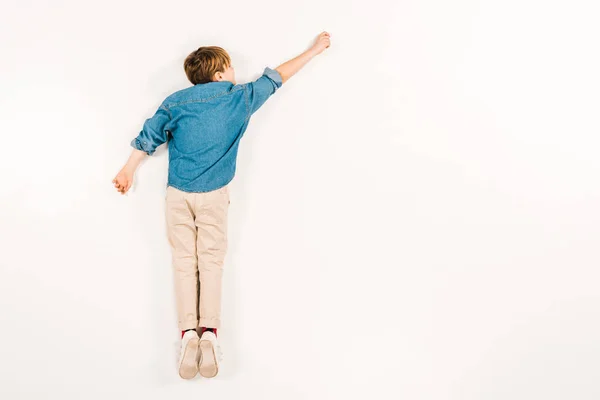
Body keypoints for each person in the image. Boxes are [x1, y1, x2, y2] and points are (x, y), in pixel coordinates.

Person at [112, 32, 331, 379]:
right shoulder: (238, 98)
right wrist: (314, 50)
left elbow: (149, 136)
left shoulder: (176, 101)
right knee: (210, 262)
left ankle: (187, 336)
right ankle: (210, 334)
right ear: (218, 74)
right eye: (230, 68)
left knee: (184, 263)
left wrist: (127, 170)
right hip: (214, 196)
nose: (234, 73)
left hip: (178, 194)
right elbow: (278, 77)